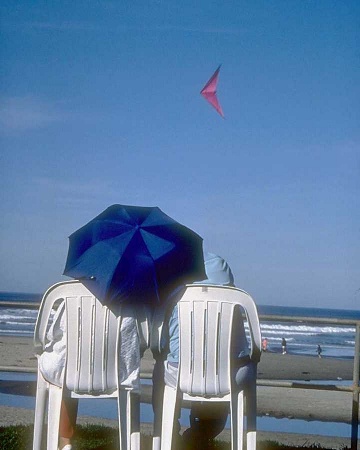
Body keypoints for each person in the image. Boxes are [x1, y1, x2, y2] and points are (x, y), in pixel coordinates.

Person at [152, 252, 258, 449]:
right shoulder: (231, 290)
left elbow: (158, 343)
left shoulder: (173, 288)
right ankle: (200, 434)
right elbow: (254, 345)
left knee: (161, 371)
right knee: (217, 373)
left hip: (181, 373)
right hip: (232, 373)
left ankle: (169, 430)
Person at [39, 298, 149, 450]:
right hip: (117, 375)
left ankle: (65, 441)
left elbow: (53, 333)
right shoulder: (133, 301)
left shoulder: (72, 295)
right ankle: (129, 441)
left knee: (65, 372)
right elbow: (144, 340)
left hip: (71, 373)